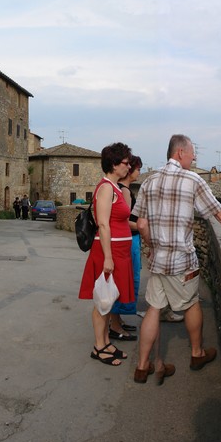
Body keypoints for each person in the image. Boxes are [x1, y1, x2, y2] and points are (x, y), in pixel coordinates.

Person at [131, 134, 221, 384]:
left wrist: (152, 246)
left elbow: (141, 224)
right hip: (182, 261)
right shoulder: (192, 180)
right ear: (180, 153)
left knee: (153, 309)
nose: (195, 157)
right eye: (192, 153)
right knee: (192, 303)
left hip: (157, 261)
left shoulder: (149, 181)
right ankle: (196, 354)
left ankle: (142, 367)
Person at [78, 142, 136, 366]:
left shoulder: (114, 187)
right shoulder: (105, 188)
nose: (128, 167)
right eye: (125, 163)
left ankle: (104, 342)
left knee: (109, 299)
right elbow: (103, 224)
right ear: (113, 164)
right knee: (102, 300)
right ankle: (98, 346)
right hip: (108, 252)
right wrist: (109, 257)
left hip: (118, 251)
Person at [107, 155, 143, 341]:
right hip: (128, 241)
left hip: (127, 241)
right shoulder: (124, 191)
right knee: (123, 281)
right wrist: (144, 227)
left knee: (122, 281)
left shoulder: (122, 189)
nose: (139, 172)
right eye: (137, 169)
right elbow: (124, 222)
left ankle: (117, 320)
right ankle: (114, 325)